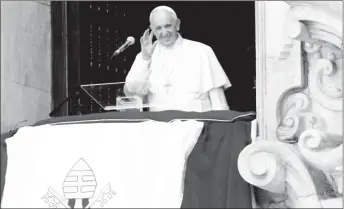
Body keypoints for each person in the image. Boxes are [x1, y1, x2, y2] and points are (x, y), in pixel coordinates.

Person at [124, 5, 231, 112]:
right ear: (152, 30)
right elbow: (132, 92)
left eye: (167, 26)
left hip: (198, 125)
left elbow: (219, 102)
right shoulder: (145, 56)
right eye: (158, 28)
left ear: (177, 25)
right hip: (160, 126)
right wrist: (145, 58)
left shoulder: (202, 51)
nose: (164, 33)